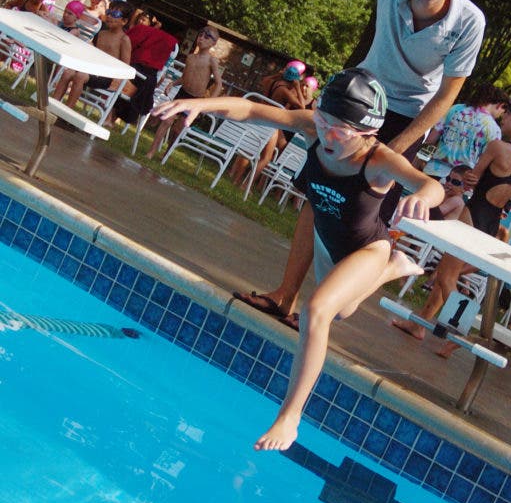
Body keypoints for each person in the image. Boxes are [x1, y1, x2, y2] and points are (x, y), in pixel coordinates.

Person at [154, 68, 444, 451]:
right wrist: (201, 104)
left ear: (367, 132)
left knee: (316, 311)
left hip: (367, 250)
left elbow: (430, 185)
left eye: (340, 130)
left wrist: (421, 197)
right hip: (329, 242)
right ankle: (394, 269)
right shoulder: (313, 128)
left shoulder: (378, 161)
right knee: (341, 310)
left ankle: (290, 417)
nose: (327, 135)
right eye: (323, 121)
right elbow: (251, 110)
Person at [234, 0, 485, 323]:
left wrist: (394, 149)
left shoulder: (469, 22)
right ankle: (285, 296)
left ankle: (338, 298)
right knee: (316, 193)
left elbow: (445, 97)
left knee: (366, 218)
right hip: (360, 100)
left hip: (410, 116)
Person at [391, 95, 511, 343]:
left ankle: (462, 336)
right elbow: (505, 187)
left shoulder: (498, 147)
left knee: (445, 277)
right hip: (492, 221)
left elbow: (470, 178)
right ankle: (418, 324)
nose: (504, 117)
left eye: (509, 114)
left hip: (474, 214)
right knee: (448, 273)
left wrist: (471, 179)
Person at [146, 26, 222, 159]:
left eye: (207, 37)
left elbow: (218, 84)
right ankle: (151, 151)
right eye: (200, 35)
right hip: (182, 93)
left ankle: (166, 153)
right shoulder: (191, 57)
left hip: (195, 99)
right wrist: (173, 84)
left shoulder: (212, 61)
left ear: (213, 43)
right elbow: (185, 78)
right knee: (167, 120)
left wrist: (209, 102)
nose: (201, 38)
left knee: (177, 129)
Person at [52, 1, 133, 108]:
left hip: (107, 77)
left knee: (80, 76)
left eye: (115, 14)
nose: (109, 16)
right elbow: (92, 52)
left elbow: (125, 67)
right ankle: (51, 106)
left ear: (124, 21)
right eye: (108, 12)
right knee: (67, 73)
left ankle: (66, 110)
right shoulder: (101, 34)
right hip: (92, 69)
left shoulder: (124, 39)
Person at [421, 83, 508, 179]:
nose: (500, 115)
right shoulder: (494, 130)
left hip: (432, 170)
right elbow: (485, 164)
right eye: (502, 112)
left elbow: (431, 139)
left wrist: (420, 160)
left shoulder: (456, 109)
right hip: (459, 181)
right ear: (500, 105)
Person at [106, 19, 178, 126]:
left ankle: (110, 118)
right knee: (134, 85)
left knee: (127, 83)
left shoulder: (141, 30)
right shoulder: (170, 42)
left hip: (131, 68)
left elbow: (126, 45)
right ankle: (111, 118)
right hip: (145, 74)